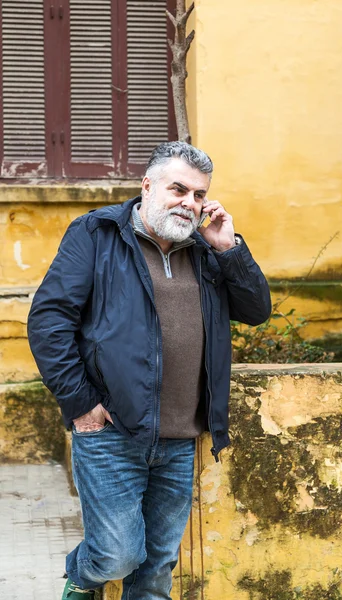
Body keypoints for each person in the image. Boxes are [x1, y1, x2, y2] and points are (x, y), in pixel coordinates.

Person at [28, 141, 271, 600]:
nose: (190, 203)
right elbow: (49, 321)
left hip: (181, 437)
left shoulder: (205, 250)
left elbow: (257, 310)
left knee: (158, 566)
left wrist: (229, 248)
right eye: (178, 189)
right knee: (118, 553)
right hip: (112, 431)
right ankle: (84, 575)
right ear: (147, 185)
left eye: (199, 195)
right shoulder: (96, 234)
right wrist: (82, 404)